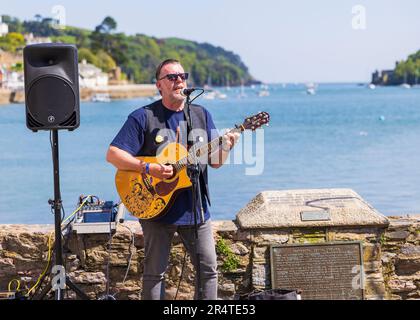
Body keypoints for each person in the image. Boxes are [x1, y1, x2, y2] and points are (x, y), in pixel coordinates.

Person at [106, 59, 240, 300]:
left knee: (208, 270)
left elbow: (216, 162)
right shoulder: (143, 117)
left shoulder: (201, 115)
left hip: (195, 207)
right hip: (155, 207)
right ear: (159, 85)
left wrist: (228, 145)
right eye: (172, 77)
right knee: (155, 273)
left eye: (182, 76)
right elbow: (113, 154)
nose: (179, 80)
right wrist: (149, 168)